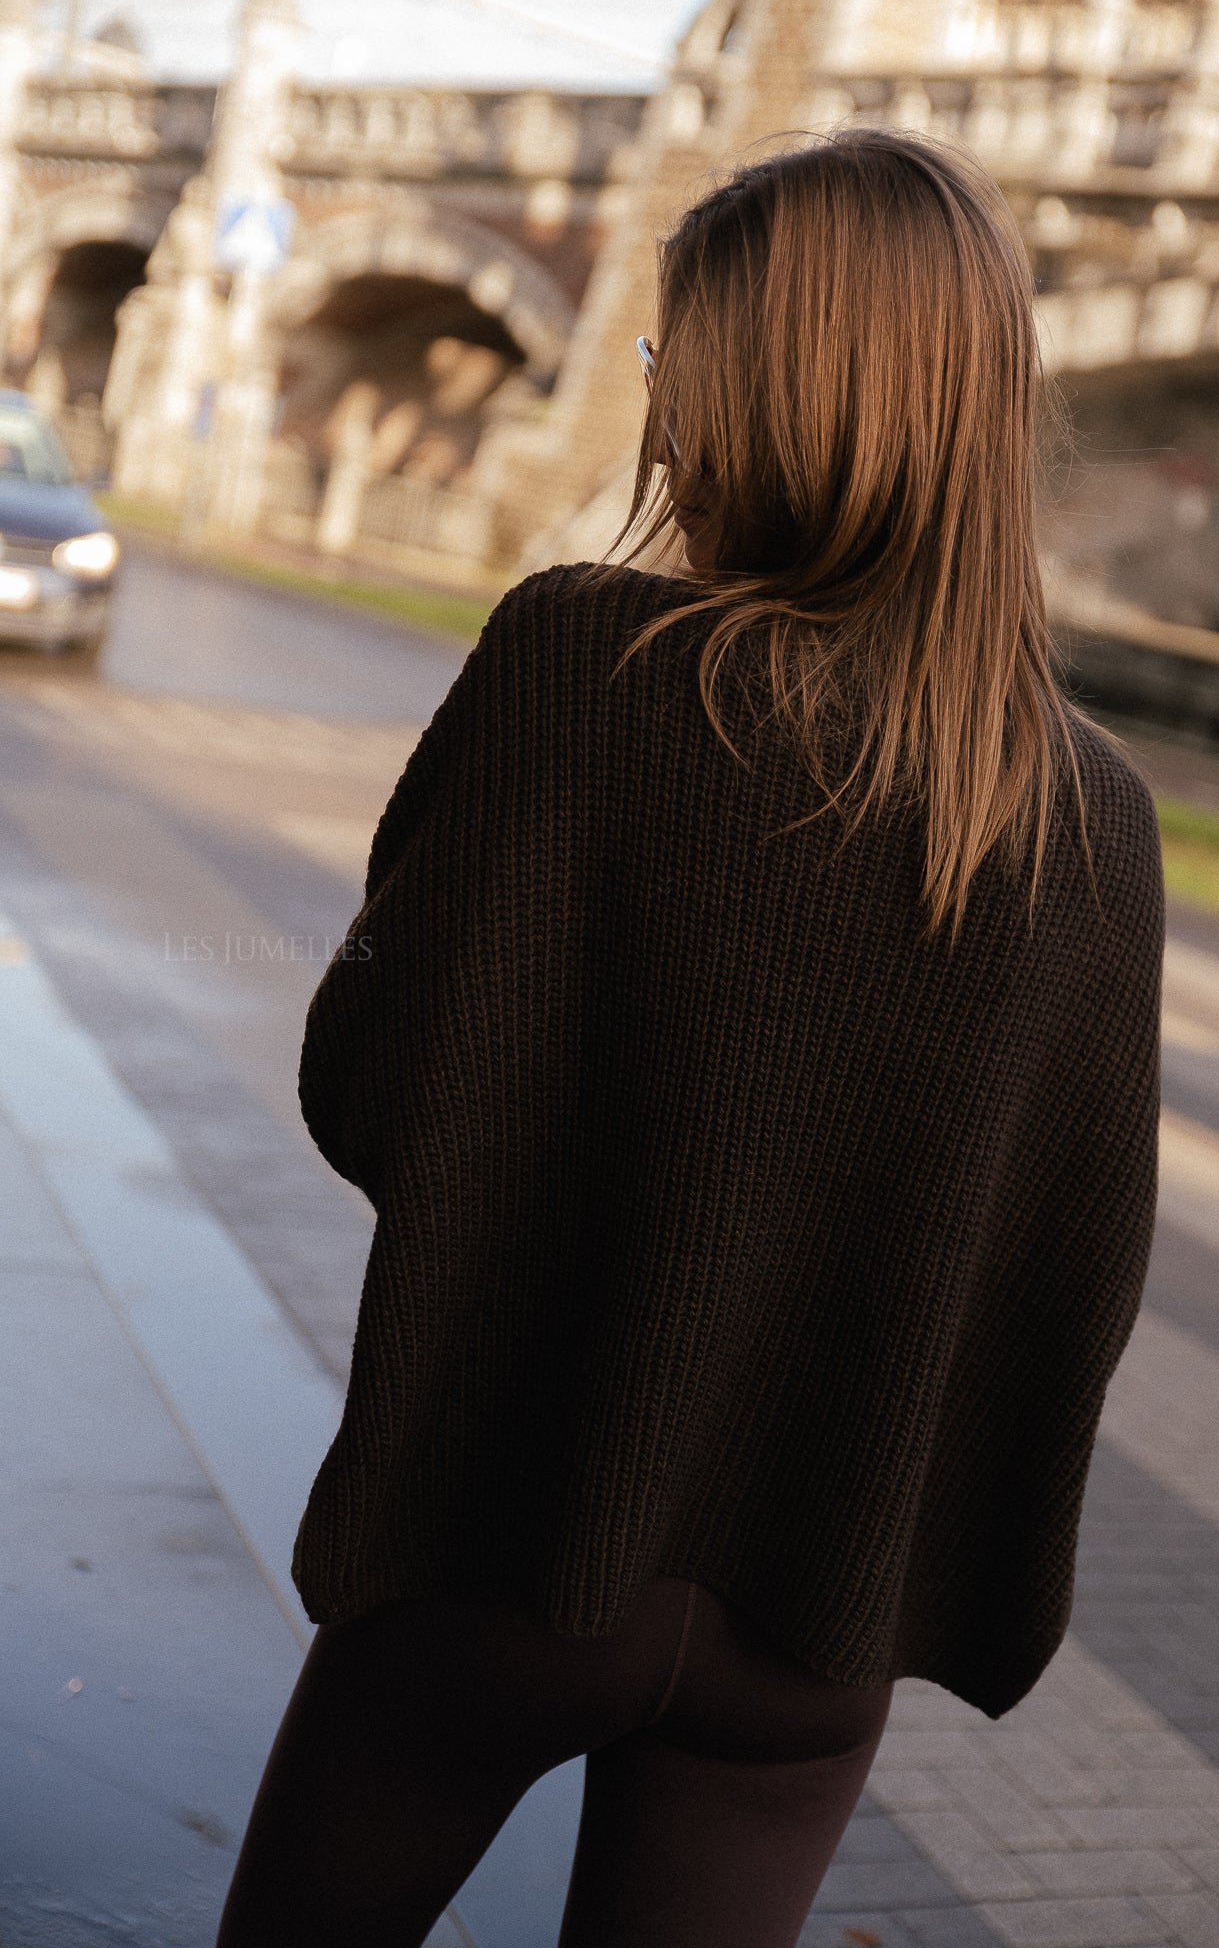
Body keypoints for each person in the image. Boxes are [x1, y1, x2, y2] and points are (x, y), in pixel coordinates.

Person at [218, 129, 1163, 1947]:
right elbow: (1071, 1272)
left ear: (737, 396)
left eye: (666, 364)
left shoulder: (585, 663)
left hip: (506, 1542)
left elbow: (376, 1082)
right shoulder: (1090, 816)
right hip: (816, 1621)